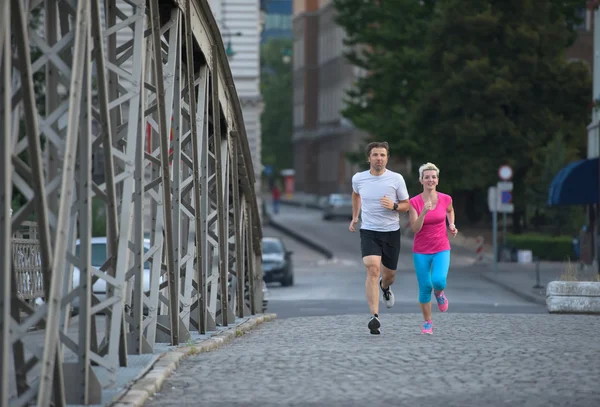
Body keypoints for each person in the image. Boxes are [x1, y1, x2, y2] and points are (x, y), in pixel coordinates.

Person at [349, 141, 410, 335]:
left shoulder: (396, 179)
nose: (379, 158)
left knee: (389, 275)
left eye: (382, 155)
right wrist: (355, 216)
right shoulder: (359, 178)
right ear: (369, 158)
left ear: (387, 158)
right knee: (373, 268)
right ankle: (374, 316)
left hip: (391, 232)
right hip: (369, 231)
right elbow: (355, 195)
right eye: (375, 155)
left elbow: (406, 205)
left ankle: (385, 287)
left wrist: (393, 206)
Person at [408, 162, 458, 335]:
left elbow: (450, 211)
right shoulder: (414, 202)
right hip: (421, 250)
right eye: (426, 177)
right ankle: (428, 322)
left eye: (433, 177)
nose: (430, 180)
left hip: (441, 247)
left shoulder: (446, 199)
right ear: (421, 180)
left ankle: (440, 293)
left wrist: (451, 224)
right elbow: (415, 228)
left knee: (438, 281)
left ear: (437, 180)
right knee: (424, 287)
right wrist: (423, 212)